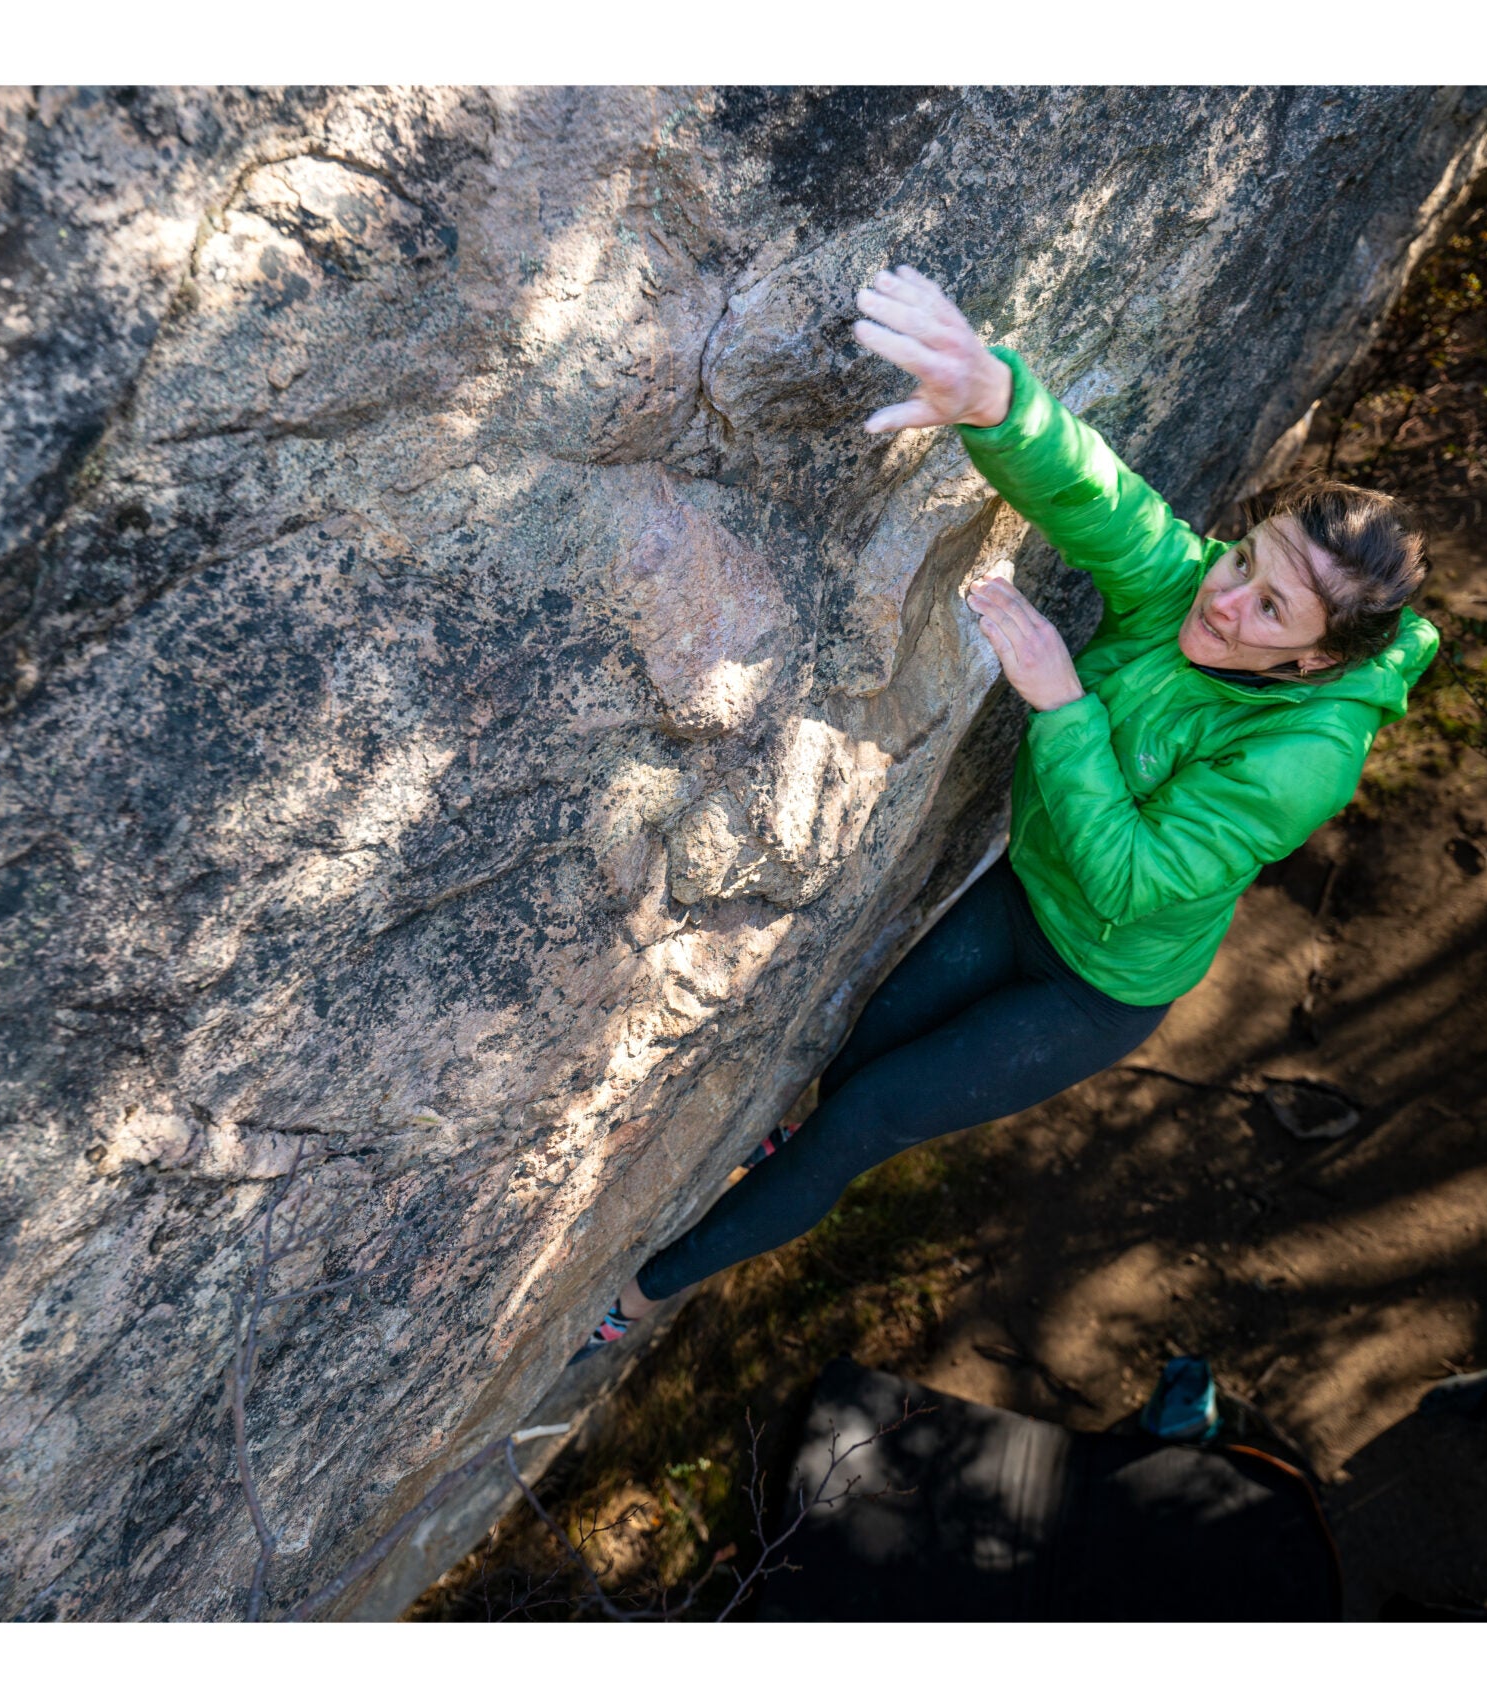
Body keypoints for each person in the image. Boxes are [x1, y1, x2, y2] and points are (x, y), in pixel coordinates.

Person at [576, 265, 1435, 1360]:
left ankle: (641, 1300)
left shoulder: (1303, 757)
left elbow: (1130, 874)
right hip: (1027, 889)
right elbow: (1106, 503)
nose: (1221, 600)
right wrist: (998, 399)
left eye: (1266, 608)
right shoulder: (1196, 589)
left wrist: (1062, 706)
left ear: (1313, 659)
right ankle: (774, 1160)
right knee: (856, 1056)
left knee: (868, 1119)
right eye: (1241, 559)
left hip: (1095, 982)